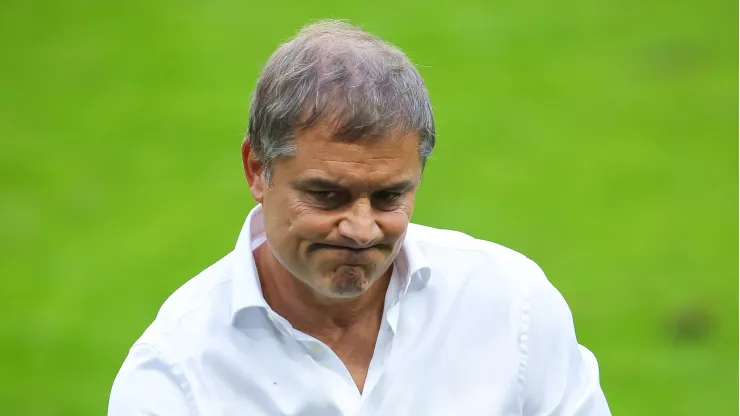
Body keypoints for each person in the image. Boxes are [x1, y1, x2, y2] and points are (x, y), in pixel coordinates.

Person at [108, 19, 610, 415]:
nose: (361, 229)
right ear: (258, 169)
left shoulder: (511, 306)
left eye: (390, 197)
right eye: (327, 195)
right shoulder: (174, 374)